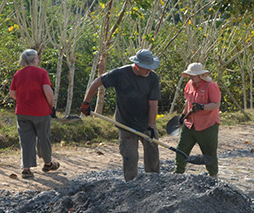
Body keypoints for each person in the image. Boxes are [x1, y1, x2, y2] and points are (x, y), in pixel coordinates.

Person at [81, 49, 161, 181]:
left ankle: (154, 181)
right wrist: (86, 103)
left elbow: (153, 104)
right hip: (126, 124)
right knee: (130, 157)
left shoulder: (153, 78)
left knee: (152, 155)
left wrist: (151, 126)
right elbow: (97, 83)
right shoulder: (120, 74)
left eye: (150, 67)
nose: (149, 70)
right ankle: (131, 184)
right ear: (137, 65)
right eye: (146, 67)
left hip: (146, 123)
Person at [10, 49, 59, 179]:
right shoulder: (42, 73)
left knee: (26, 140)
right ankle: (48, 164)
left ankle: (26, 169)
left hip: (22, 111)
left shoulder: (18, 74)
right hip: (41, 111)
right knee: (44, 137)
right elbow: (48, 92)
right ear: (35, 59)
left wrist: (25, 99)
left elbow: (12, 93)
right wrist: (52, 106)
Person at [174, 63, 221, 178]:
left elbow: (216, 104)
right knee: (181, 149)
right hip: (190, 124)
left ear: (200, 75)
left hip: (207, 124)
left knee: (209, 152)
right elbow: (187, 102)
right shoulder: (189, 84)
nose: (191, 77)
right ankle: (178, 173)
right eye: (190, 74)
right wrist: (183, 115)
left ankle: (213, 175)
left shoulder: (211, 86)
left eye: (193, 75)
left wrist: (202, 107)